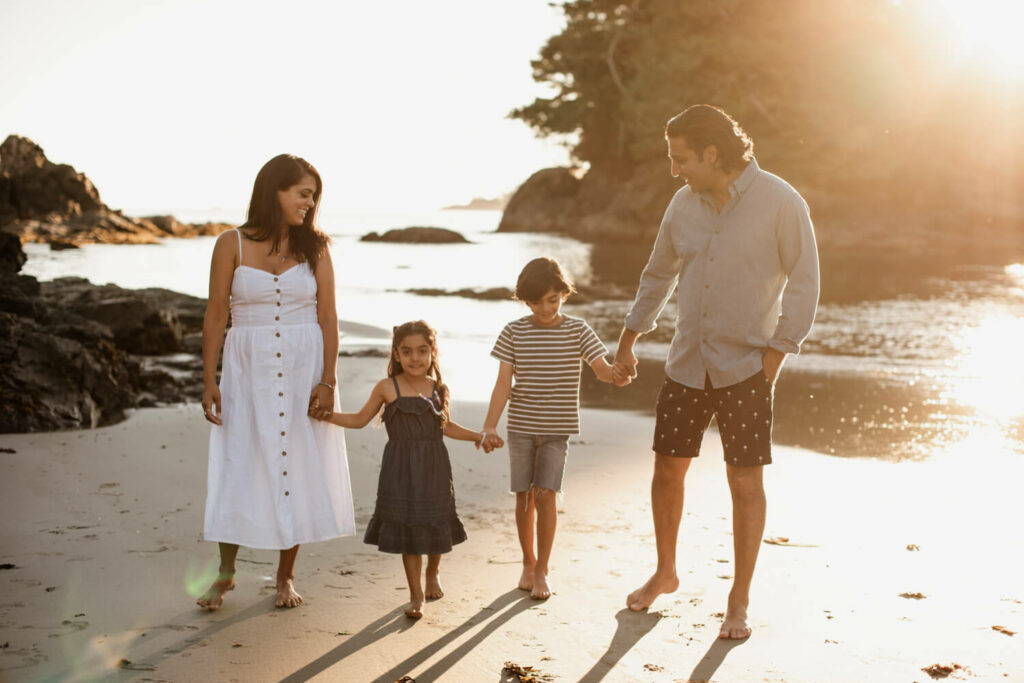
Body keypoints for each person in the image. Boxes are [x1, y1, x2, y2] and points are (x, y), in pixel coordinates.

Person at [613, 104, 819, 639]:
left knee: (745, 483)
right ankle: (665, 572)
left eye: (680, 158)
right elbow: (657, 275)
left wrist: (777, 354)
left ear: (711, 153)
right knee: (667, 470)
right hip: (687, 362)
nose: (673, 169)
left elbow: (805, 280)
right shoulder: (682, 205)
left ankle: (739, 599)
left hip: (747, 367)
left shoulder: (781, 201)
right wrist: (629, 341)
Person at [198, 154, 355, 610]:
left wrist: (328, 380)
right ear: (275, 191)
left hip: (305, 365)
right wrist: (210, 378)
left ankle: (285, 577)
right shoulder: (232, 243)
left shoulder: (317, 248)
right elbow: (216, 313)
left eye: (313, 196)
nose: (310, 203)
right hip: (247, 366)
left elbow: (328, 317)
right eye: (303, 193)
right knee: (239, 459)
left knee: (297, 464)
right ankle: (226, 574)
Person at [312, 320, 496, 619]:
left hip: (434, 466)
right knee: (410, 529)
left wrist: (480, 436)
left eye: (422, 351)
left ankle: (433, 572)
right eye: (407, 352)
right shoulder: (387, 387)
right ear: (396, 354)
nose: (415, 358)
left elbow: (446, 426)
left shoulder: (437, 387)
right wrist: (327, 416)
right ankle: (416, 595)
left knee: (436, 521)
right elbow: (360, 420)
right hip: (399, 469)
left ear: (433, 352)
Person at [481, 257, 618, 600]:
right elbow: (502, 385)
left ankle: (543, 570)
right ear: (525, 300)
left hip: (557, 429)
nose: (546, 308)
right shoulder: (514, 331)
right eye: (537, 302)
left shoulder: (578, 330)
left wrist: (618, 373)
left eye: (553, 300)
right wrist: (489, 425)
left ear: (563, 295)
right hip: (521, 428)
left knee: (546, 494)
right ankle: (527, 562)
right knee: (524, 496)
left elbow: (601, 369)